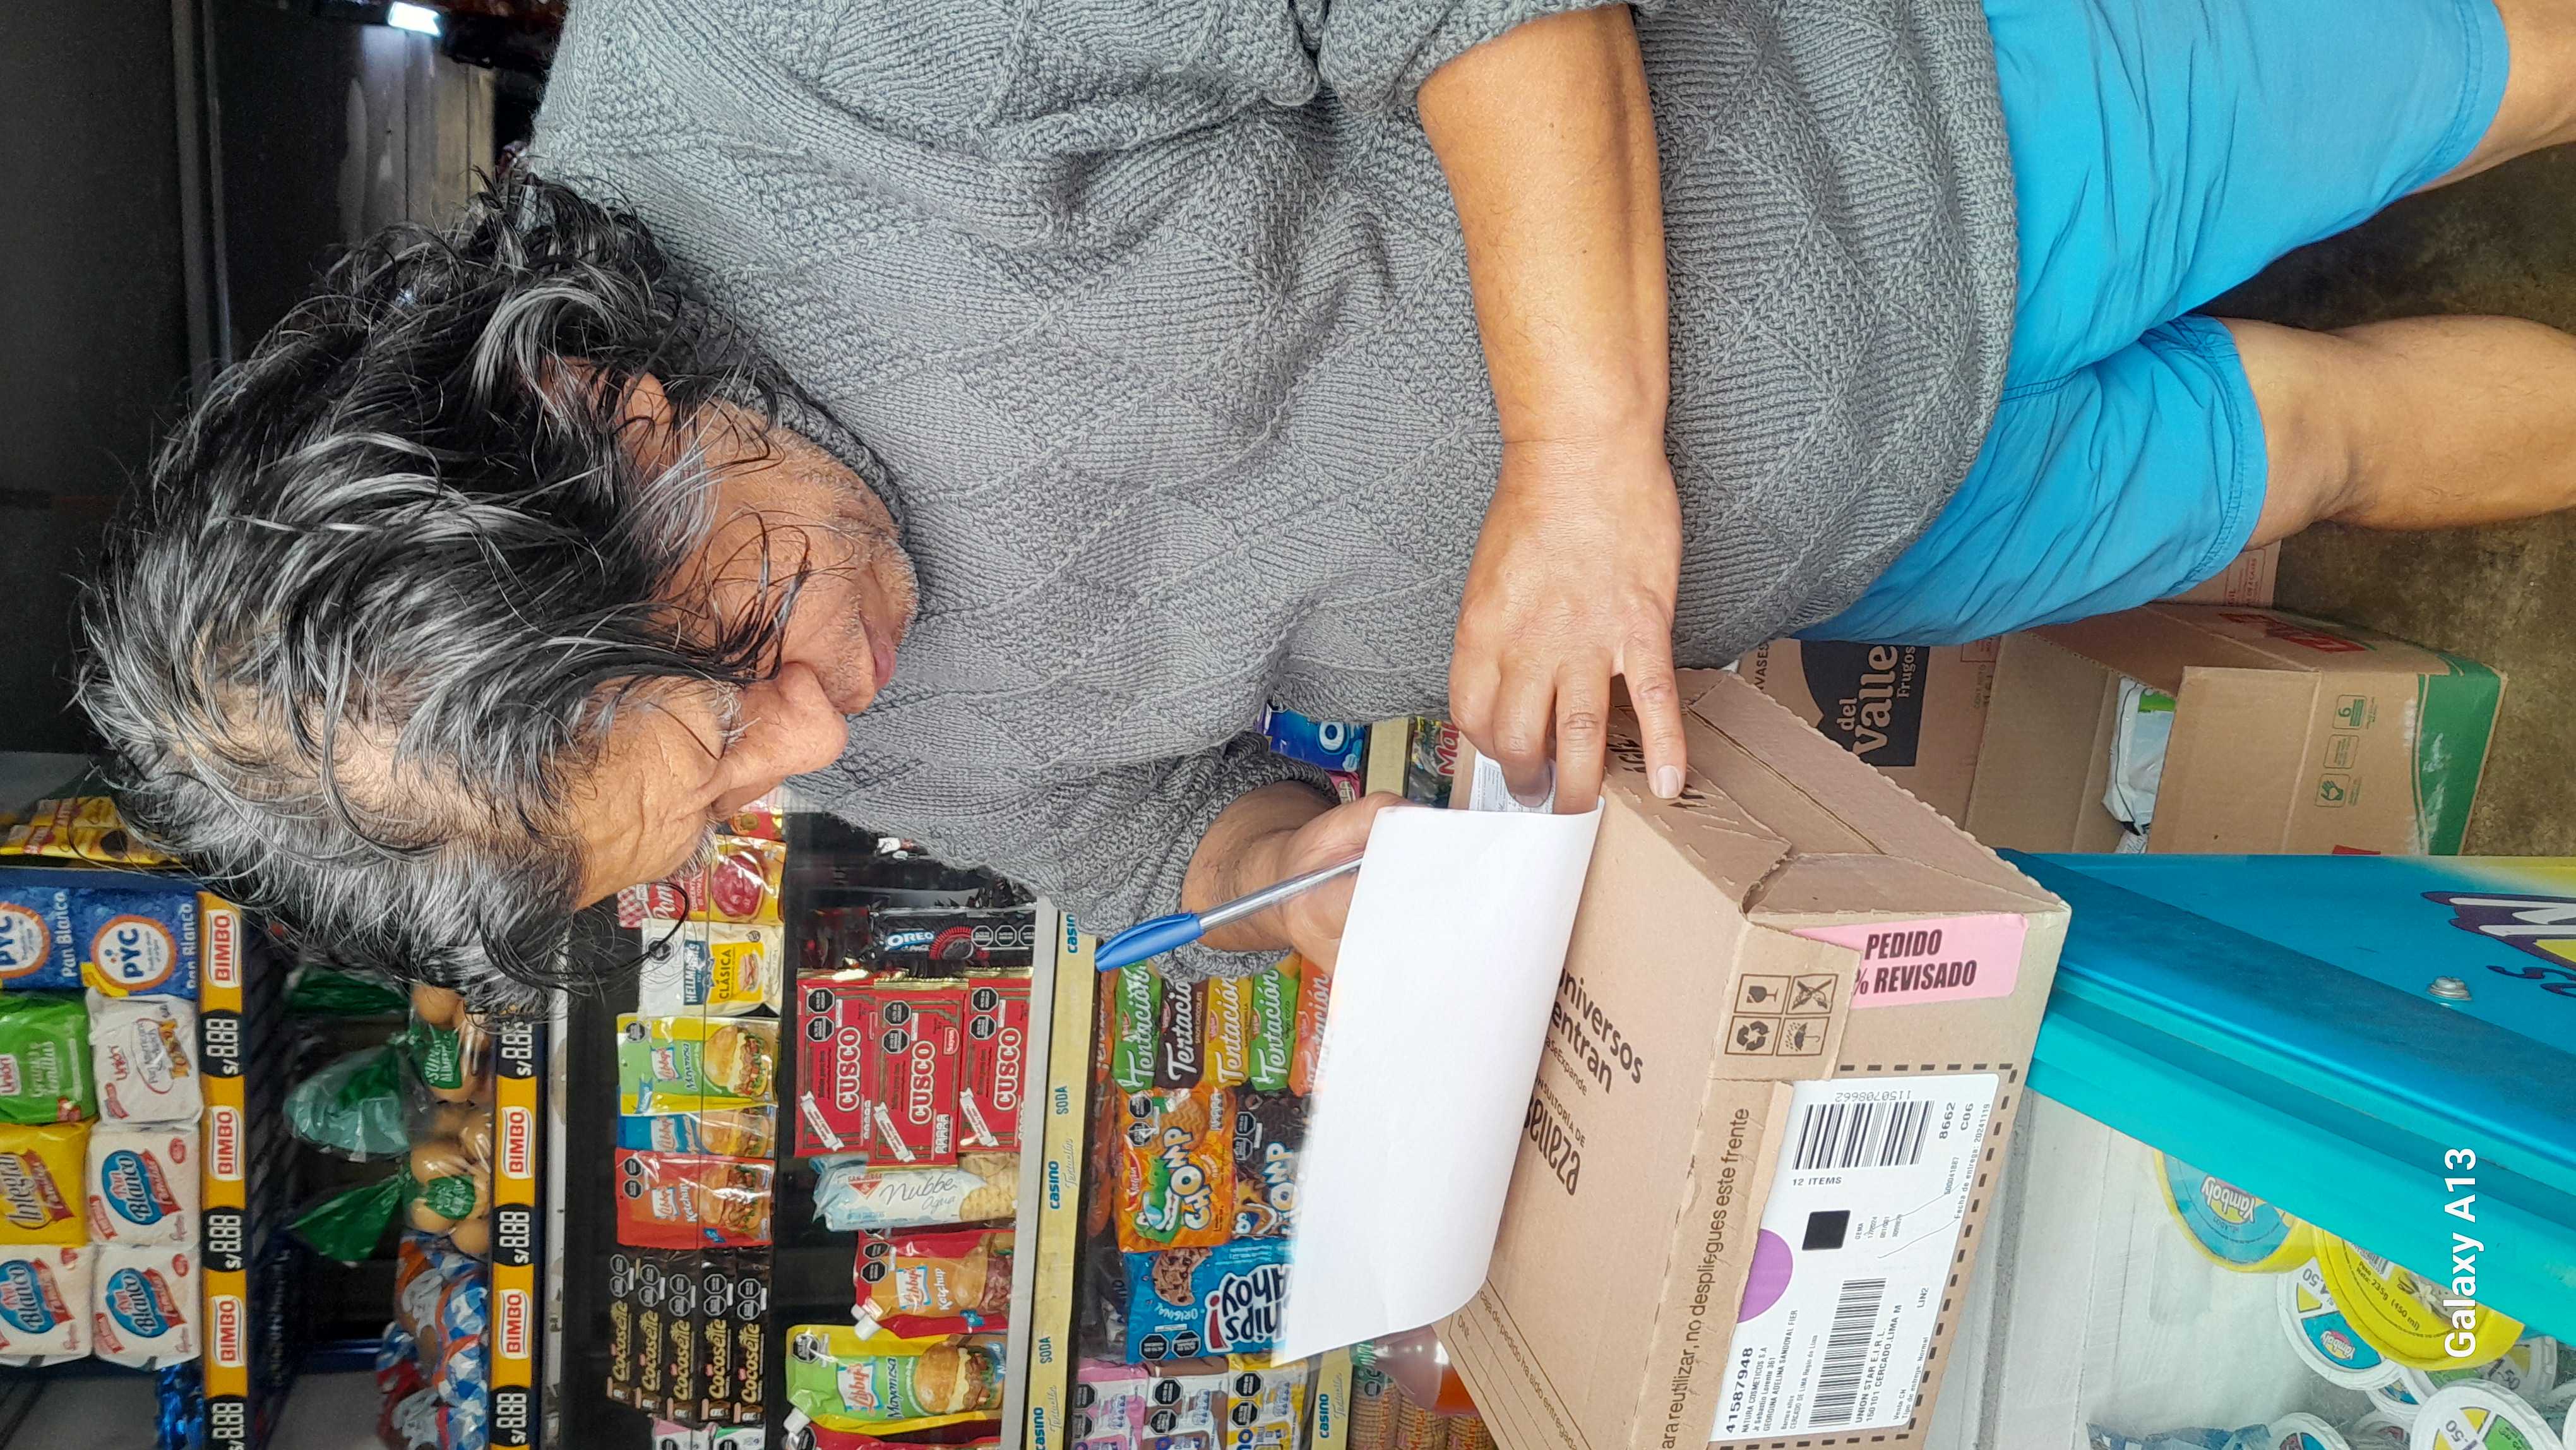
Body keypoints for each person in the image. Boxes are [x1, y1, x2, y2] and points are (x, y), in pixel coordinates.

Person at [78, 0, 2576, 998]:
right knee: (2324, 445)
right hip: (1867, 526)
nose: (821, 746)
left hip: (1933, 134)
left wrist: (1582, 464)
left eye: (736, 666)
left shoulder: (790, 57)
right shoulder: (802, 711)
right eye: (721, 808)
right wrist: (1294, 879)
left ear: (589, 398)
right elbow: (1135, 828)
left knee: (2462, 71)